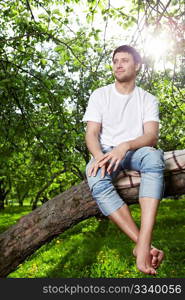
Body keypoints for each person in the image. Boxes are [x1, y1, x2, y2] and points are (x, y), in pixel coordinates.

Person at [82, 45, 165, 275]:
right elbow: (91, 133)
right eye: (115, 60)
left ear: (137, 66)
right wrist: (99, 157)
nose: (118, 64)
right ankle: (142, 245)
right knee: (96, 177)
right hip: (106, 152)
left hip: (135, 150)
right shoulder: (100, 94)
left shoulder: (148, 99)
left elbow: (151, 136)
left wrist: (125, 145)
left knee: (154, 157)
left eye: (124, 60)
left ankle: (144, 240)